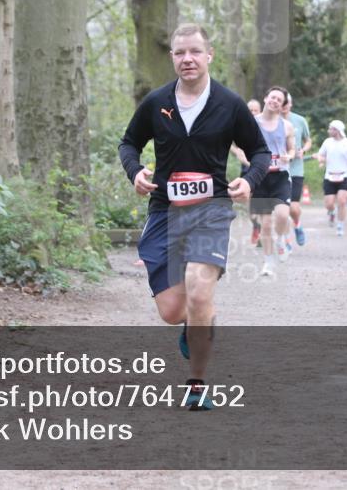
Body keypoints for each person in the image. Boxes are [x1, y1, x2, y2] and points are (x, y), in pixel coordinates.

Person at [119, 23, 269, 411]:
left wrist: (249, 181)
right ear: (172, 57)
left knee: (200, 291)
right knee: (173, 312)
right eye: (180, 52)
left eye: (195, 52)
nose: (187, 59)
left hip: (212, 210)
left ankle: (197, 385)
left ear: (209, 55)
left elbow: (260, 152)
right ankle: (198, 320)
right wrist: (134, 171)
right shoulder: (156, 102)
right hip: (165, 212)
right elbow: (129, 142)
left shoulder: (229, 103)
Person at [251, 86, 295, 276]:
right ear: (266, 98)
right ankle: (268, 262)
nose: (275, 101)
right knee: (266, 224)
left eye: (279, 99)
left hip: (281, 176)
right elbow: (240, 144)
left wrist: (289, 156)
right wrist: (248, 158)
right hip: (261, 177)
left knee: (283, 216)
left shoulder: (286, 125)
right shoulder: (252, 123)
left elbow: (292, 149)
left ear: (282, 105)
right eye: (273, 97)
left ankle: (282, 238)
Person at [316, 120, 347, 237]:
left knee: (342, 201)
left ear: (337, 130)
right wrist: (320, 159)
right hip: (329, 175)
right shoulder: (327, 142)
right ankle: (331, 212)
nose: (328, 130)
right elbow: (321, 154)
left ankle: (340, 225)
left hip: (344, 175)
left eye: (331, 128)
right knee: (329, 203)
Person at [230, 99, 263, 246]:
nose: (253, 113)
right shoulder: (240, 125)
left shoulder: (263, 127)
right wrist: (237, 152)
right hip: (246, 173)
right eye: (250, 110)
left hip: (261, 171)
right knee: (250, 206)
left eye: (256, 110)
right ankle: (257, 226)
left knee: (261, 204)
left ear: (260, 111)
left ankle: (262, 230)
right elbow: (229, 143)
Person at [280, 93, 311, 248]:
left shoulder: (300, 120)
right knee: (281, 209)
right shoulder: (272, 121)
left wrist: (303, 150)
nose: (284, 105)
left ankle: (297, 225)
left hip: (296, 169)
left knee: (293, 208)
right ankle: (286, 240)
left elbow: (308, 140)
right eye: (282, 102)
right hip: (278, 169)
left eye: (287, 102)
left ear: (290, 104)